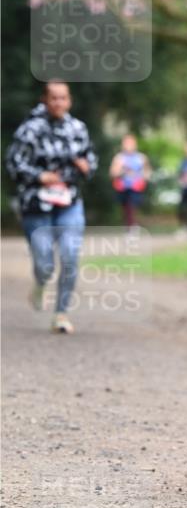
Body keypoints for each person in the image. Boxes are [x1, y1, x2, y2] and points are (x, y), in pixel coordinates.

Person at [5, 80, 98, 334]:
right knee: (45, 263)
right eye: (54, 98)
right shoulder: (30, 130)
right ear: (45, 100)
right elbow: (13, 164)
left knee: (70, 255)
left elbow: (91, 161)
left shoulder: (78, 128)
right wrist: (39, 177)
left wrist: (86, 168)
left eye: (63, 98)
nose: (59, 102)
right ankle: (40, 282)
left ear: (69, 101)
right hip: (36, 204)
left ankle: (61, 313)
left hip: (69, 202)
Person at [109, 134, 151, 231]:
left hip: (136, 188)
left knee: (132, 206)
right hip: (122, 187)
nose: (128, 145)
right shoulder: (119, 158)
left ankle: (132, 226)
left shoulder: (141, 157)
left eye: (130, 143)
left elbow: (147, 172)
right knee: (125, 208)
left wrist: (143, 178)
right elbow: (112, 173)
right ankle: (129, 226)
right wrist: (121, 171)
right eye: (126, 143)